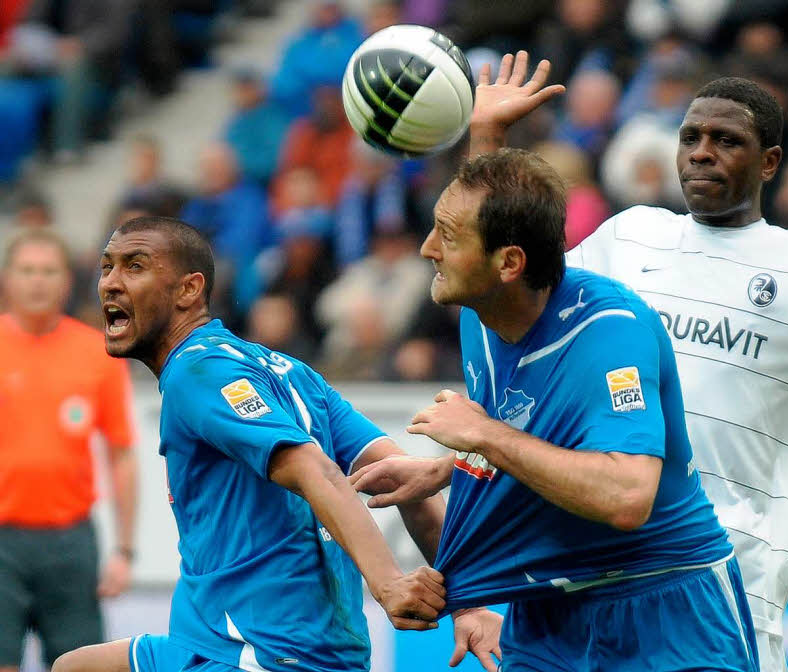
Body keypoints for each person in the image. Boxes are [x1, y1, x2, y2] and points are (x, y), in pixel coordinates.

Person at [357, 52, 788, 671]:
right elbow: (504, 279)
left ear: (770, 161)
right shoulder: (630, 236)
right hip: (579, 579)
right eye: (690, 136)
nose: (701, 151)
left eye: (726, 140)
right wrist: (488, 138)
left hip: (724, 587)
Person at [353, 143, 760, 671]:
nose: (428, 247)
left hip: (663, 606)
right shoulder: (480, 314)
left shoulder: (610, 332)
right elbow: (542, 436)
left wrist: (484, 436)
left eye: (447, 237)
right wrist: (442, 470)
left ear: (510, 263)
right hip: (547, 617)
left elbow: (628, 496)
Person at [50, 216, 501, 672]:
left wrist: (387, 586)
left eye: (134, 266)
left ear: (189, 290)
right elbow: (405, 482)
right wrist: (470, 603)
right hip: (236, 644)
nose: (110, 283)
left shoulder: (196, 373)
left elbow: (313, 470)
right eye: (107, 267)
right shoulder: (290, 371)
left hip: (258, 654)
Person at [0, 228, 137, 672]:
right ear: (7, 278)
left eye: (48, 271)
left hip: (70, 542)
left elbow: (122, 454)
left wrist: (125, 549)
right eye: (26, 270)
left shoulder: (97, 352)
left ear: (66, 280)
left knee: (77, 664)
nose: (37, 281)